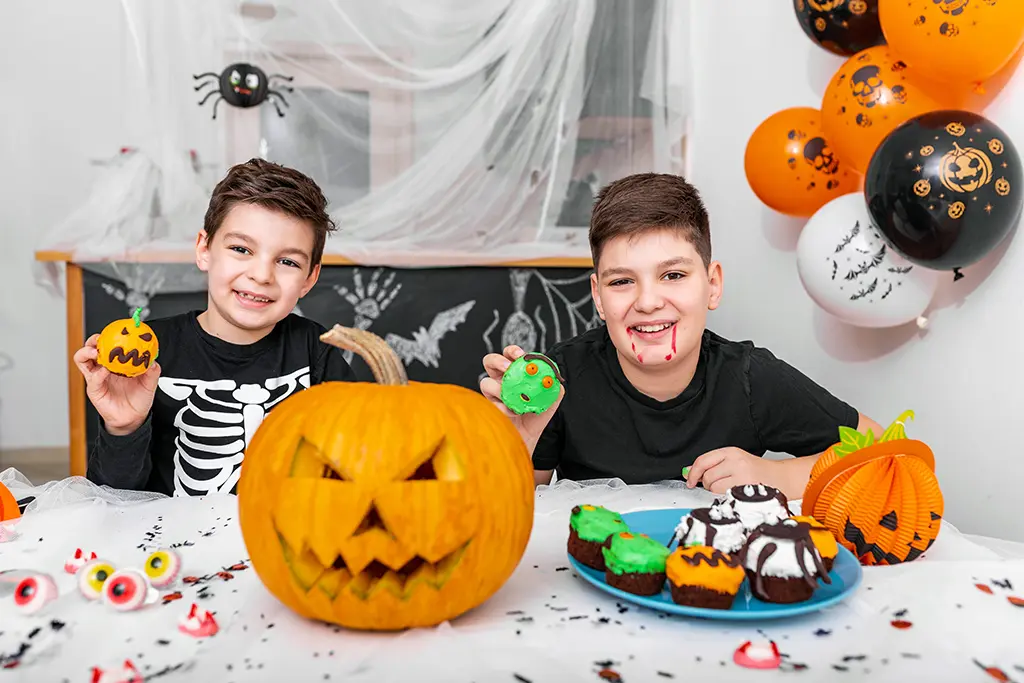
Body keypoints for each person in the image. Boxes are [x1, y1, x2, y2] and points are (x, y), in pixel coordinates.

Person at [480, 173, 881, 499]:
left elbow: (884, 452)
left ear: (712, 285)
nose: (648, 301)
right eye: (622, 281)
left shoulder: (751, 379)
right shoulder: (560, 379)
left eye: (673, 275)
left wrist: (780, 475)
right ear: (598, 298)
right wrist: (515, 444)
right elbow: (504, 518)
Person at [74, 159, 355, 497]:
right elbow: (111, 500)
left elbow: (355, 472)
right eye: (241, 249)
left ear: (310, 277)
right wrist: (123, 426)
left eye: (287, 262)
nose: (261, 275)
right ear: (204, 250)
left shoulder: (318, 352)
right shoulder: (146, 354)